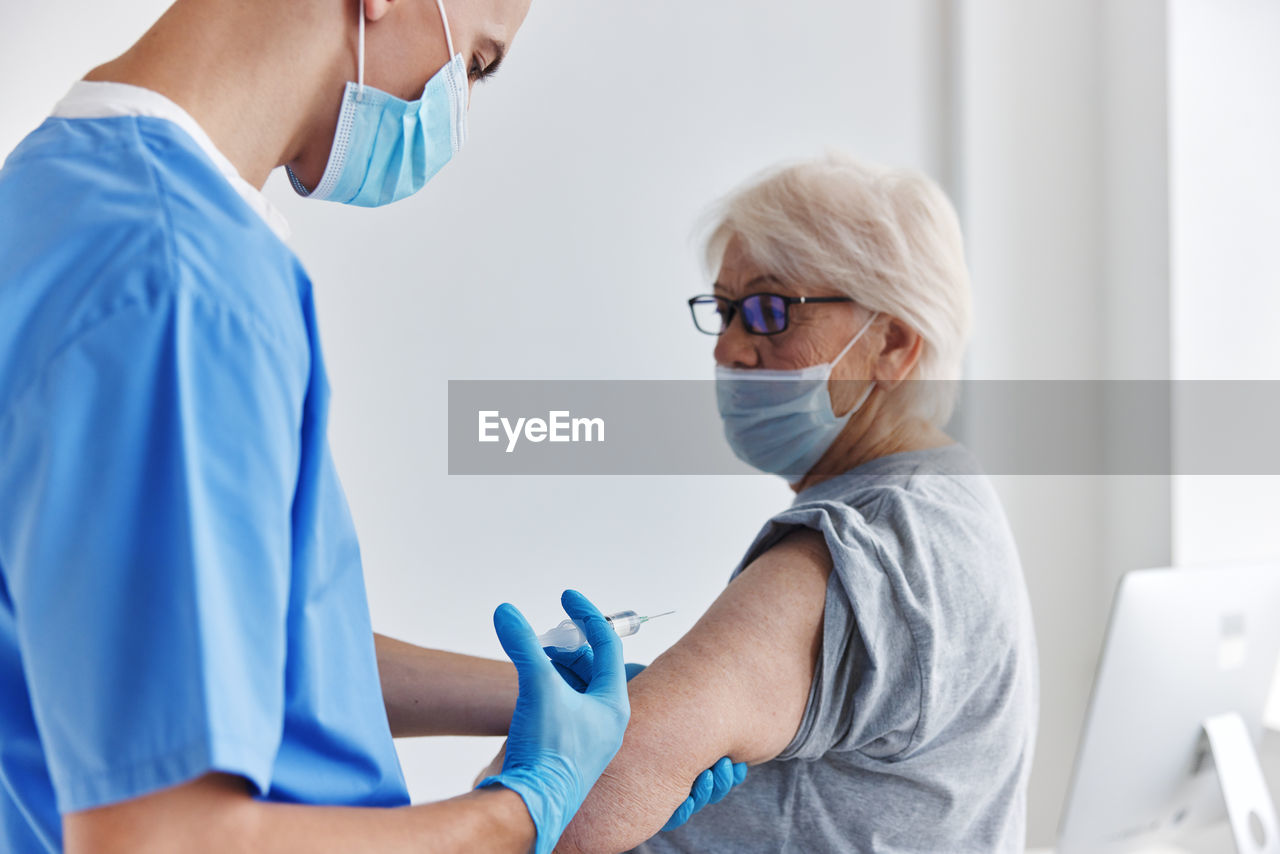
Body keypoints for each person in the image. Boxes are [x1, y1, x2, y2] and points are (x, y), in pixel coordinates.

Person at [0, 1, 733, 852]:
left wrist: (532, 698)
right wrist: (521, 811)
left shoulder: (57, 195)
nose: (456, 104)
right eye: (480, 62)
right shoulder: (178, 282)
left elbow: (214, 650)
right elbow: (166, 838)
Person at [515, 152, 1039, 853]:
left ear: (894, 344)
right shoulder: (948, 501)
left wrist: (520, 759)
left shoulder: (866, 546)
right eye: (726, 310)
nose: (729, 348)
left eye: (769, 311)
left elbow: (567, 814)